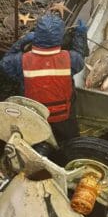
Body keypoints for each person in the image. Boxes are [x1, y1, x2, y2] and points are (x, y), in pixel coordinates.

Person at [0, 13, 88, 144]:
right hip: (64, 115)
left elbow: (4, 63)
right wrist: (80, 35)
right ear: (60, 37)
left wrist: (21, 42)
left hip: (35, 115)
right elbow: (81, 55)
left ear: (36, 36)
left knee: (36, 142)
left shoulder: (20, 61)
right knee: (70, 143)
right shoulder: (71, 59)